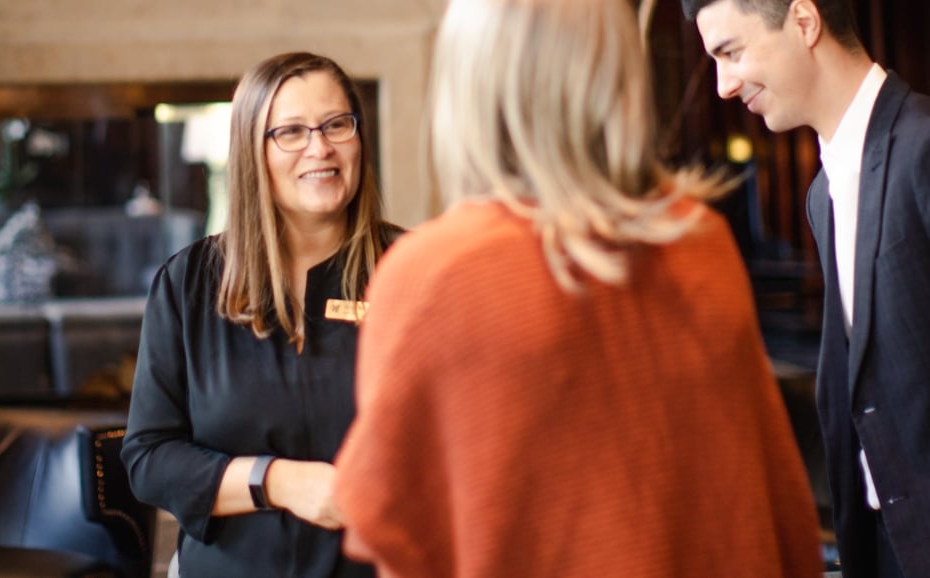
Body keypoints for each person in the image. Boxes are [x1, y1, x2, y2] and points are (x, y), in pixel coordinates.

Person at [332, 0, 822, 576]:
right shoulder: (699, 242)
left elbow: (403, 547)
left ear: (468, 81)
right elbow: (778, 518)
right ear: (617, 75)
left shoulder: (431, 278)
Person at [121, 51, 400, 577]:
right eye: (290, 131)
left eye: (337, 124)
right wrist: (279, 482)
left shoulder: (412, 272)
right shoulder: (188, 282)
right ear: (253, 151)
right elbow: (149, 460)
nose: (320, 147)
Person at [684, 0, 930, 576]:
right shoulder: (820, 195)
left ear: (803, 19)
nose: (722, 86)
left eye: (731, 52)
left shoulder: (923, 149)